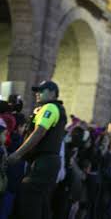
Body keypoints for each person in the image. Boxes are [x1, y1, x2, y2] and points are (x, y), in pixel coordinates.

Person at [7, 80, 66, 219]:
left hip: (44, 162)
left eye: (42, 90)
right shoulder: (49, 108)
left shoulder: (50, 108)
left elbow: (39, 132)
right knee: (41, 203)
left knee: (30, 199)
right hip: (47, 162)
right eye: (37, 91)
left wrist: (17, 154)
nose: (37, 93)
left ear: (52, 93)